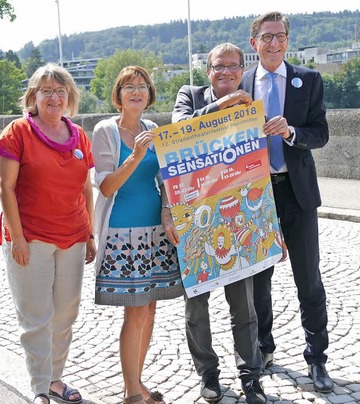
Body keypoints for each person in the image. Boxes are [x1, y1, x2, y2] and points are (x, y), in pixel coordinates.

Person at [0, 63, 96, 404]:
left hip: (73, 237)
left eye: (60, 91)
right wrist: (17, 238)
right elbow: (5, 187)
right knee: (36, 316)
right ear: (33, 96)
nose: (54, 97)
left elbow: (86, 188)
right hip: (31, 237)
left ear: (70, 97)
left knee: (66, 312)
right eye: (46, 90)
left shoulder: (79, 135)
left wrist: (90, 233)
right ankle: (38, 385)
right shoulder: (17, 132)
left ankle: (55, 379)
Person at [168, 43, 267, 404]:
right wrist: (220, 107)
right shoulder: (190, 95)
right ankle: (207, 373)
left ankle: (250, 376)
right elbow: (178, 129)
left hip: (237, 213)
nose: (225, 72)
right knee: (197, 306)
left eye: (232, 66)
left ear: (242, 69)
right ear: (208, 69)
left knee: (244, 305)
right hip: (194, 216)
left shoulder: (250, 102)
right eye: (218, 66)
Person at [241, 11, 333, 393]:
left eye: (280, 36)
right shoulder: (242, 83)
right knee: (259, 282)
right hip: (257, 197)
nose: (274, 43)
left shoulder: (308, 80)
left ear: (287, 41)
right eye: (267, 37)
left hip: (298, 194)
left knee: (308, 279)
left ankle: (317, 359)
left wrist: (292, 132)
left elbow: (322, 133)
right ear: (254, 42)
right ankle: (264, 350)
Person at [92, 66, 184, 404]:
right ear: (118, 95)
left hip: (155, 231)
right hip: (122, 232)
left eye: (142, 86)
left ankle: (138, 382)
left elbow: (165, 181)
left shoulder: (153, 129)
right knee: (135, 310)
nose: (136, 92)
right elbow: (105, 185)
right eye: (129, 87)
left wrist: (167, 212)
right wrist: (136, 156)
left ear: (149, 95)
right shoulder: (105, 130)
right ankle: (132, 392)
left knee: (149, 310)